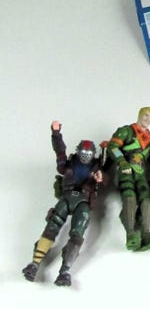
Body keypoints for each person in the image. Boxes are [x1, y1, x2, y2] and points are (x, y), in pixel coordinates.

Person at [22, 121, 103, 287]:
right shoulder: (69, 164)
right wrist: (56, 134)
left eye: (89, 153)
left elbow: (106, 175)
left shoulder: (97, 166)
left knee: (77, 235)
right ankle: (34, 264)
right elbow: (60, 151)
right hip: (66, 198)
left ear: (93, 154)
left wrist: (101, 177)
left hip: (83, 201)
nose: (85, 156)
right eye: (83, 153)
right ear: (78, 152)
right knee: (51, 228)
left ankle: (65, 271)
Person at [107, 107, 150, 251]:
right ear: (140, 115)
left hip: (140, 173)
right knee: (129, 196)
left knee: (146, 199)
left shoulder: (147, 138)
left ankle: (146, 233)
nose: (148, 119)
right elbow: (112, 146)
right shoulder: (126, 131)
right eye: (146, 115)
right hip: (126, 170)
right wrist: (122, 161)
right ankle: (131, 233)